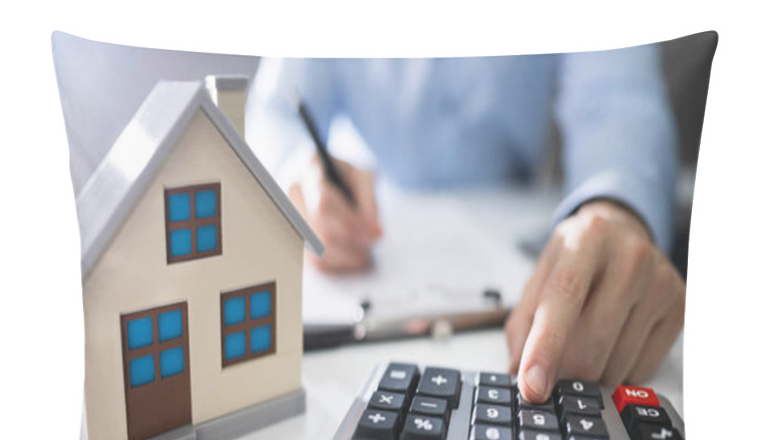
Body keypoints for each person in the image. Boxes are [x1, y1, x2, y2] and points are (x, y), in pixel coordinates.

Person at [244, 50, 686, 404]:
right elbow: (276, 109)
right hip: (359, 245)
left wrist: (613, 208)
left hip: (520, 251)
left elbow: (616, 101)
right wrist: (295, 167)